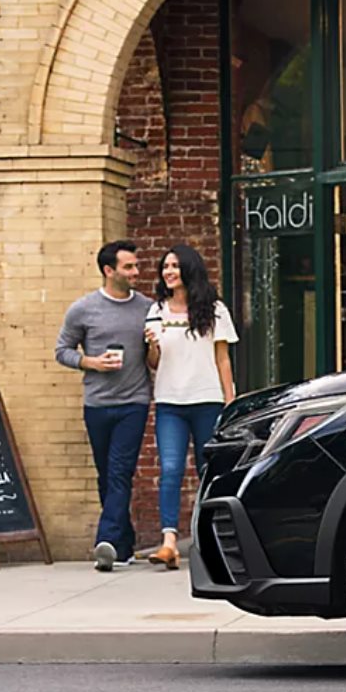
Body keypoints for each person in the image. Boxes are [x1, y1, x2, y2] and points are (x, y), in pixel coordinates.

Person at [57, 240, 152, 570]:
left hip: (134, 402)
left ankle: (106, 540)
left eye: (136, 266)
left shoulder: (147, 308)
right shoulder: (83, 309)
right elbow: (62, 351)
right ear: (109, 271)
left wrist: (154, 345)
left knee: (120, 472)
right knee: (106, 475)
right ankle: (124, 544)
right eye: (129, 267)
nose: (135, 271)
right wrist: (91, 363)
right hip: (97, 403)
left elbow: (154, 358)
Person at [144, 243, 238, 572]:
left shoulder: (215, 310)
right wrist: (153, 346)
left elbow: (223, 359)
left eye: (174, 266)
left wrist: (230, 403)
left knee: (208, 471)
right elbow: (153, 363)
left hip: (208, 400)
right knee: (170, 470)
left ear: (189, 269)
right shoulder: (157, 311)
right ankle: (169, 542)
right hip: (170, 401)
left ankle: (208, 538)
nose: (168, 271)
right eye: (165, 266)